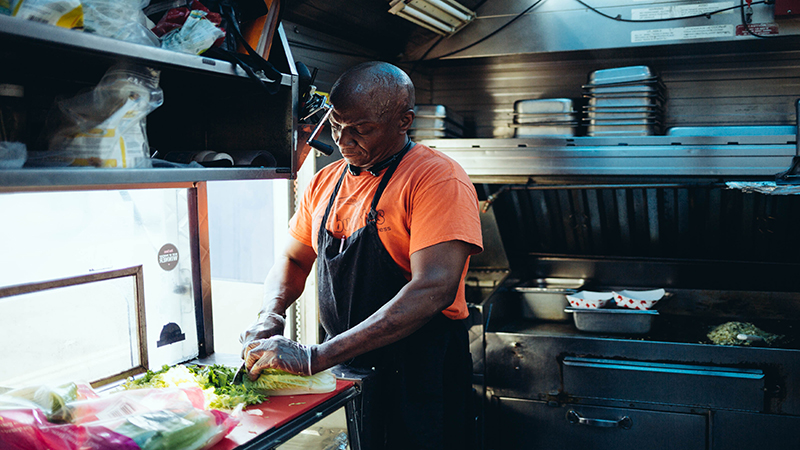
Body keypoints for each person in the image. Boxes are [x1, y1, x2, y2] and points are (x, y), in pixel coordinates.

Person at [239, 61, 483, 449]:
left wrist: (315, 356)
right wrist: (271, 312)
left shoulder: (436, 179)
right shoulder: (325, 180)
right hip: (347, 366)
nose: (343, 139)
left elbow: (432, 288)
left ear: (404, 121)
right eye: (336, 124)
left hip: (421, 374)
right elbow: (294, 259)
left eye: (362, 129)